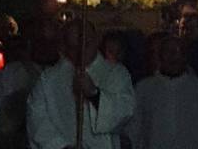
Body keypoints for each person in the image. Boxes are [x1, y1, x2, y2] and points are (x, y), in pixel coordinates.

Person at [27, 18, 135, 149]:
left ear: (96, 40)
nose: (81, 51)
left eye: (85, 44)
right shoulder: (49, 79)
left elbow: (124, 113)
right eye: (74, 46)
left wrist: (94, 94)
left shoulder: (116, 73)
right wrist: (60, 146)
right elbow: (37, 119)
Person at [126, 36, 198, 149]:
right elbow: (134, 129)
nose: (174, 57)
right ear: (160, 56)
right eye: (169, 52)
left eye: (178, 52)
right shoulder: (144, 89)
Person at [0, 36, 42, 149]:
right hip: (11, 134)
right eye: (14, 48)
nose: (18, 52)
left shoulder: (37, 71)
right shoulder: (9, 72)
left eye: (21, 48)